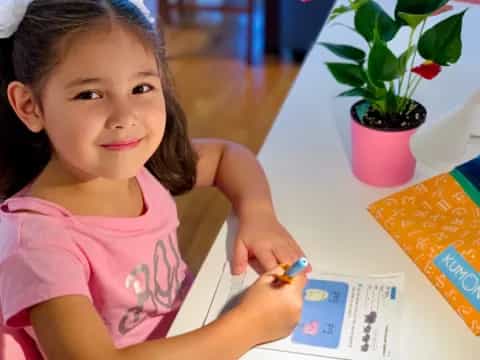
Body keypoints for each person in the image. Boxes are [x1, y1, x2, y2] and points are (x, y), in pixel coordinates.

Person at [0, 1, 309, 358]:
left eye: (141, 88)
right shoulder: (38, 243)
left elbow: (226, 156)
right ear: (29, 105)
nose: (124, 117)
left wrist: (259, 216)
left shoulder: (140, 167)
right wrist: (250, 326)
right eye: (90, 94)